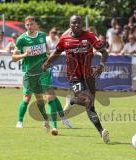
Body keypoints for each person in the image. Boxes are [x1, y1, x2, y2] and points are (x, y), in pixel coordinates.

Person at [42, 15, 110, 143]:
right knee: (86, 100)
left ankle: (102, 132)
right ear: (70, 24)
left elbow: (104, 52)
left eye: (79, 23)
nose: (76, 25)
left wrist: (101, 65)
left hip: (89, 76)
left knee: (90, 106)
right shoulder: (65, 39)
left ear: (82, 24)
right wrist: (47, 63)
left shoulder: (89, 36)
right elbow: (56, 53)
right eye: (74, 23)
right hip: (74, 76)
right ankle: (73, 100)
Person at [12, 16, 72, 135]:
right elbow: (14, 58)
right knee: (30, 98)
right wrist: (24, 55)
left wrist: (49, 59)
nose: (30, 26)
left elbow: (46, 51)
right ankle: (21, 121)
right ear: (25, 26)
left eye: (32, 24)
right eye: (27, 25)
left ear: (36, 25)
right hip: (30, 73)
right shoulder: (21, 39)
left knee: (51, 96)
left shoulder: (42, 36)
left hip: (44, 70)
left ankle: (59, 123)